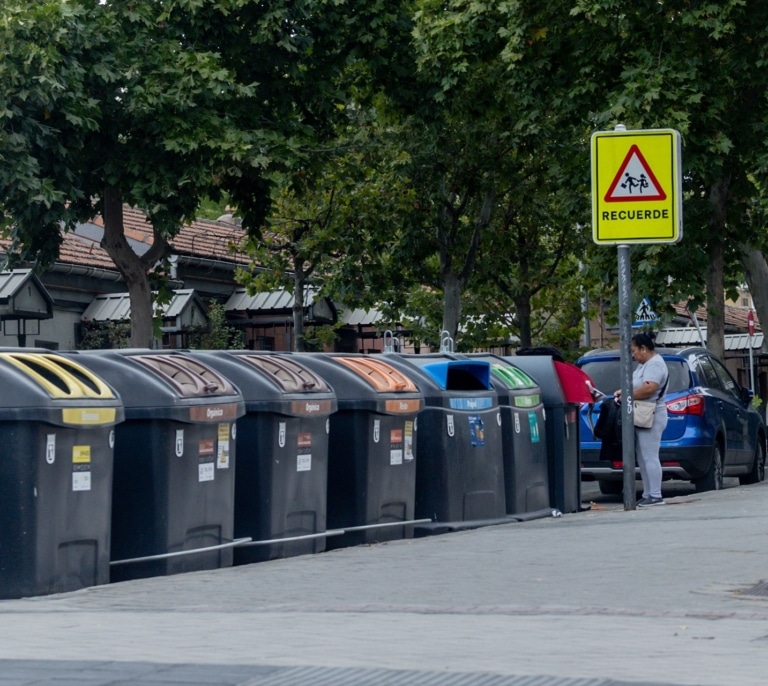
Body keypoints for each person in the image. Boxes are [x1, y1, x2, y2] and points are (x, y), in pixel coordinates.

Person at [614, 331, 669, 507]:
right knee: (643, 456)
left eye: (634, 350)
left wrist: (627, 396)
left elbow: (649, 389)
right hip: (643, 414)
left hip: (652, 414)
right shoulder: (644, 365)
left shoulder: (655, 364)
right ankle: (648, 493)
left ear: (643, 349)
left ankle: (655, 494)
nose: (633, 355)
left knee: (650, 455)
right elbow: (638, 385)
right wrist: (623, 392)